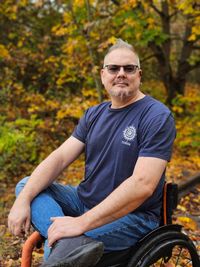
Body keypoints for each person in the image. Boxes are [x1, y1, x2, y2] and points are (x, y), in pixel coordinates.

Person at [8, 39, 176, 267]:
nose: (121, 74)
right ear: (102, 74)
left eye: (129, 68)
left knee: (61, 254)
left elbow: (142, 184)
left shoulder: (156, 116)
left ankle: (64, 244)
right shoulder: (94, 114)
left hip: (134, 217)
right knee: (27, 185)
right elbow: (59, 158)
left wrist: (81, 223)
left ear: (139, 74)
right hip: (84, 201)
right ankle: (66, 242)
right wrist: (23, 200)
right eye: (113, 68)